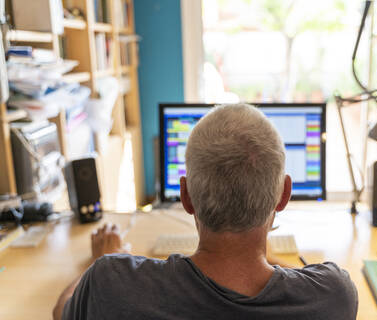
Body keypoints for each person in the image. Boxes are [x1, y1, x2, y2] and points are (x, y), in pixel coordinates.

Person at [53, 104, 358, 320]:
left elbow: (62, 311)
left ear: (186, 196)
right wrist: (263, 261)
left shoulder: (110, 282)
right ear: (283, 195)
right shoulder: (333, 295)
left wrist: (94, 263)